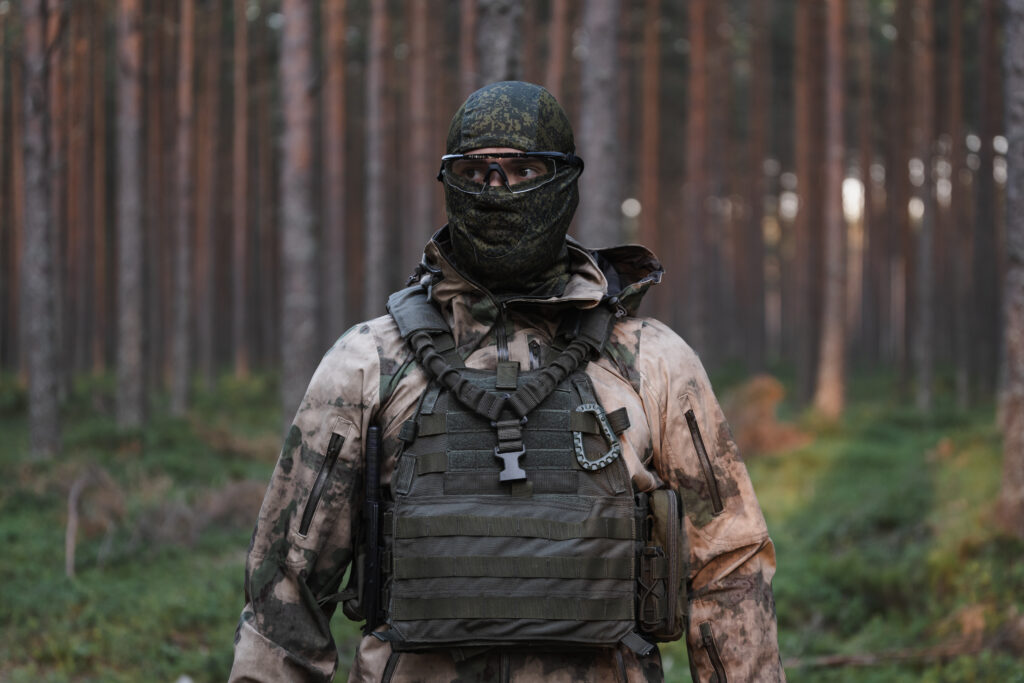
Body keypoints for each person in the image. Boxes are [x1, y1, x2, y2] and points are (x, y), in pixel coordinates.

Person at [230, 80, 785, 683]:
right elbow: (284, 593)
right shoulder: (368, 364)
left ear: (564, 181)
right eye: (475, 170)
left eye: (522, 169)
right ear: (448, 181)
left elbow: (730, 570)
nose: (496, 189)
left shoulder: (650, 361)